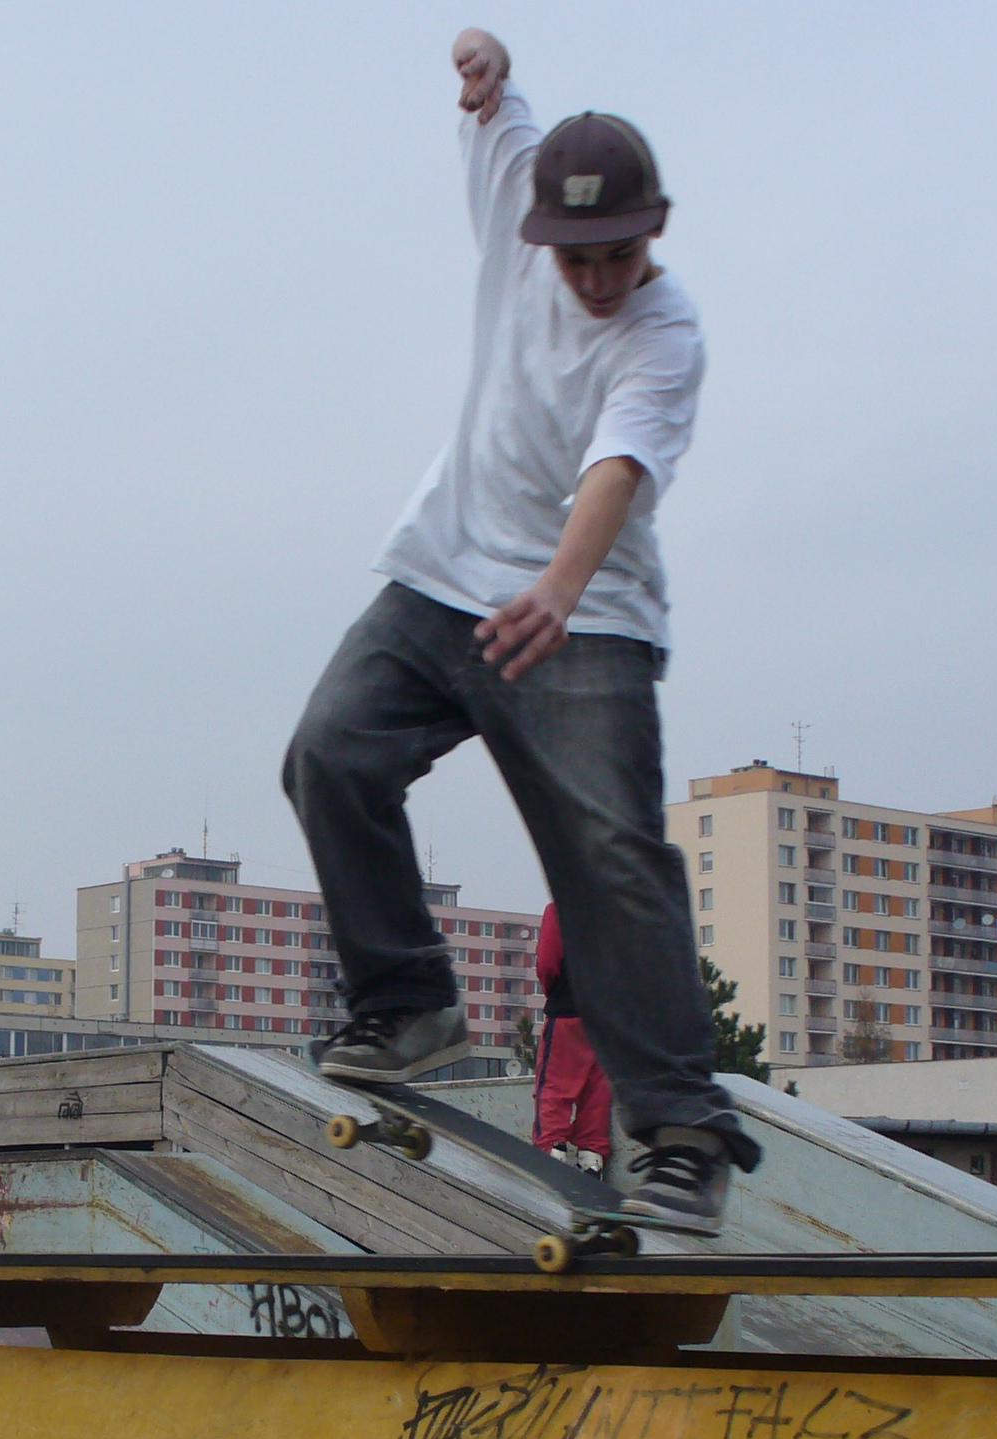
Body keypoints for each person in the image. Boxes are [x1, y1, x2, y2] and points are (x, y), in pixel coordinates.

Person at [282, 26, 753, 1231]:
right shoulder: (518, 206)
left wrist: (555, 584)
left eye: (617, 254)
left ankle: (681, 1131)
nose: (593, 278)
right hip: (440, 576)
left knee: (606, 857)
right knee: (328, 753)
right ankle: (409, 1004)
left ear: (653, 233)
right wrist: (484, 72)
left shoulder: (664, 334)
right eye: (575, 257)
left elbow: (618, 467)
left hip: (582, 617)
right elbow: (501, 119)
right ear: (543, 235)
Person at [530, 903, 612, 1172]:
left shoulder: (561, 907)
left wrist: (554, 992)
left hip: (567, 1010)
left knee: (554, 1086)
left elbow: (547, 962)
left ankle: (551, 1150)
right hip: (608, 1017)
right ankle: (592, 1158)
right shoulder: (621, 909)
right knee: (598, 1090)